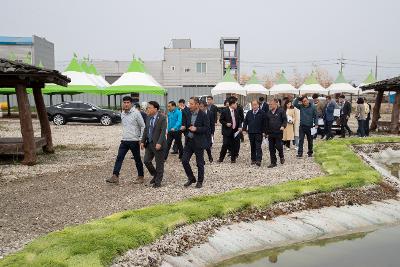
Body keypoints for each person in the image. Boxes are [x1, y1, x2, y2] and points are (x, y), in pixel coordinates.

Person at [107, 96, 145, 185]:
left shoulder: (136, 113)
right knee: (119, 158)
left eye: (128, 103)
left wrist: (141, 139)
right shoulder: (122, 113)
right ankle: (115, 176)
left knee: (137, 159)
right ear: (122, 103)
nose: (126, 104)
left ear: (131, 104)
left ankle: (141, 176)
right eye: (124, 102)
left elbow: (143, 126)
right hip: (124, 140)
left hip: (134, 140)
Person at [181, 97, 210, 188]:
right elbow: (185, 125)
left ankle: (200, 181)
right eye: (189, 103)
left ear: (197, 105)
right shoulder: (187, 113)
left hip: (199, 142)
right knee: (184, 160)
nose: (189, 105)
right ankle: (191, 178)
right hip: (189, 141)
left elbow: (206, 128)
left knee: (199, 163)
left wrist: (196, 129)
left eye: (191, 104)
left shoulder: (203, 115)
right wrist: (184, 129)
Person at [140, 101, 167, 188]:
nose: (147, 109)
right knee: (146, 161)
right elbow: (146, 130)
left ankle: (158, 182)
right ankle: (155, 175)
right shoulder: (148, 117)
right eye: (147, 107)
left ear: (155, 109)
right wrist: (142, 141)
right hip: (150, 143)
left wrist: (159, 142)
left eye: (149, 107)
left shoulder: (162, 118)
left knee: (159, 163)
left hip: (159, 144)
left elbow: (163, 132)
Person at [218, 97, 242, 163]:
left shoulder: (236, 111)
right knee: (225, 144)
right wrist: (226, 123)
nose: (236, 105)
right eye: (235, 104)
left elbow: (239, 120)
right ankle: (221, 158)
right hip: (227, 131)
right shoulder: (225, 111)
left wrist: (240, 126)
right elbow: (220, 120)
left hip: (235, 131)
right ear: (232, 104)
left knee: (234, 145)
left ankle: (233, 159)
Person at [265, 98, 287, 168]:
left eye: (271, 104)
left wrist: (283, 126)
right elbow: (266, 123)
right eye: (269, 104)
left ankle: (281, 156)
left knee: (278, 146)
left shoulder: (281, 111)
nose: (270, 105)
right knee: (271, 148)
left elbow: (284, 120)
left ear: (276, 103)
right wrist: (265, 132)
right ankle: (273, 162)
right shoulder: (268, 113)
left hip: (278, 132)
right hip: (271, 133)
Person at [243, 99, 265, 166]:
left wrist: (264, 131)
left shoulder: (262, 113)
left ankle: (259, 160)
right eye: (253, 105)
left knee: (258, 146)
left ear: (258, 105)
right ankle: (253, 159)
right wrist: (244, 129)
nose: (254, 106)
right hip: (251, 132)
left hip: (259, 132)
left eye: (255, 105)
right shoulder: (249, 113)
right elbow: (245, 122)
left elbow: (265, 123)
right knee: (252, 146)